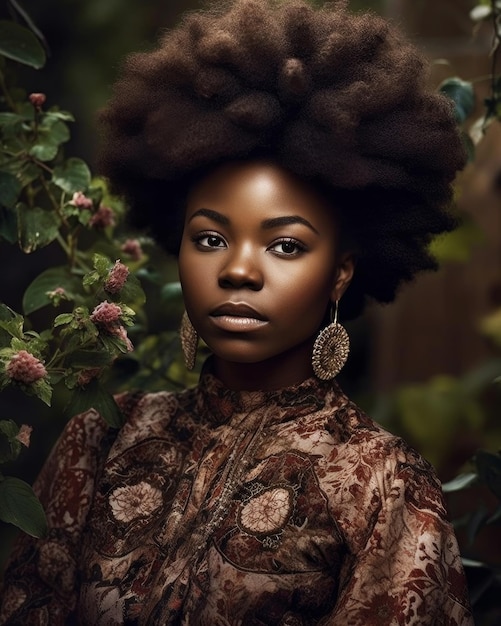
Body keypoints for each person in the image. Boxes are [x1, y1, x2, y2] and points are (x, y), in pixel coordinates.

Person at [0, 0, 473, 624]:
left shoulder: (379, 484)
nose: (238, 270)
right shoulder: (101, 438)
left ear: (341, 271)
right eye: (211, 238)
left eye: (285, 245)